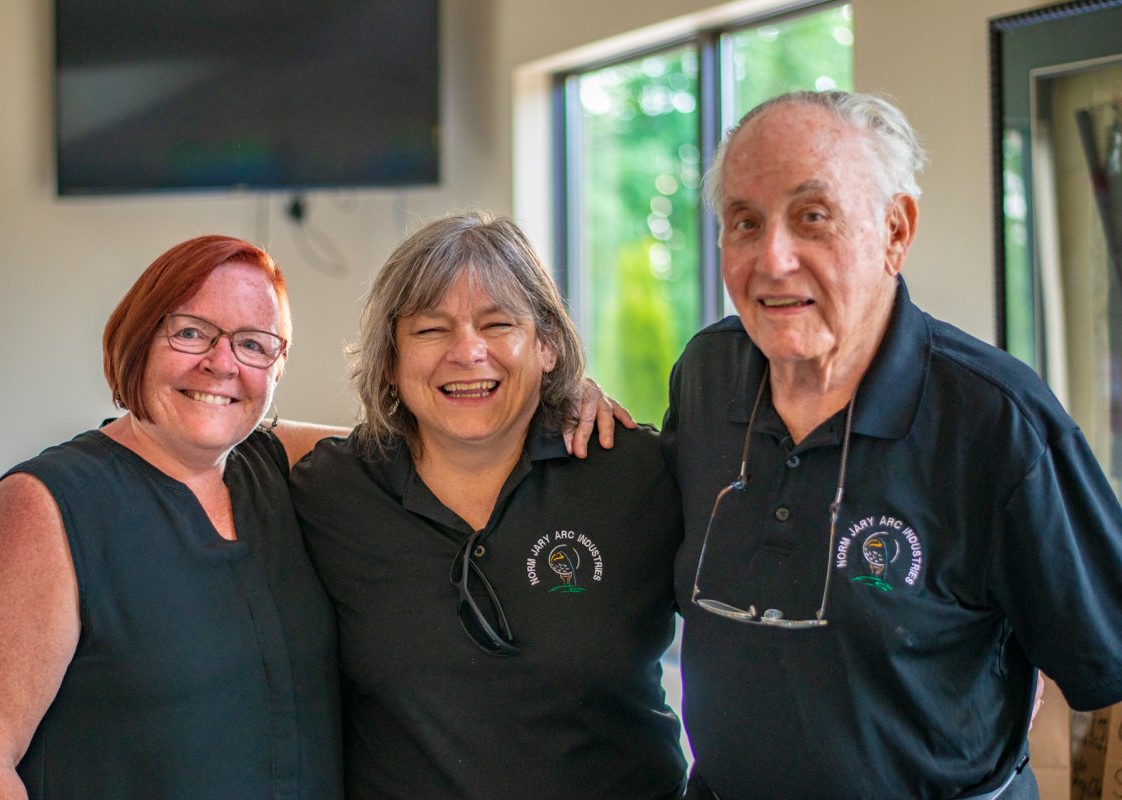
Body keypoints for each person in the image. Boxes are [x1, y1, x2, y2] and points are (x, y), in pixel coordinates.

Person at [663, 90, 1122, 799]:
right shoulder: (705, 375)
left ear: (896, 231)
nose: (773, 259)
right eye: (744, 222)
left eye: (812, 217)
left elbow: (1110, 665)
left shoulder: (997, 420)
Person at [0, 235, 350, 799]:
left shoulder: (274, 470)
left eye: (253, 344)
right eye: (190, 332)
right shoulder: (45, 506)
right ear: (138, 339)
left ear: (277, 369)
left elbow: (415, 444)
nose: (221, 364)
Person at [292, 211, 687, 800]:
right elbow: (222, 440)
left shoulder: (638, 473)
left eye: (498, 324)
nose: (467, 352)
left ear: (548, 345)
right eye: (430, 331)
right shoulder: (331, 492)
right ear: (390, 361)